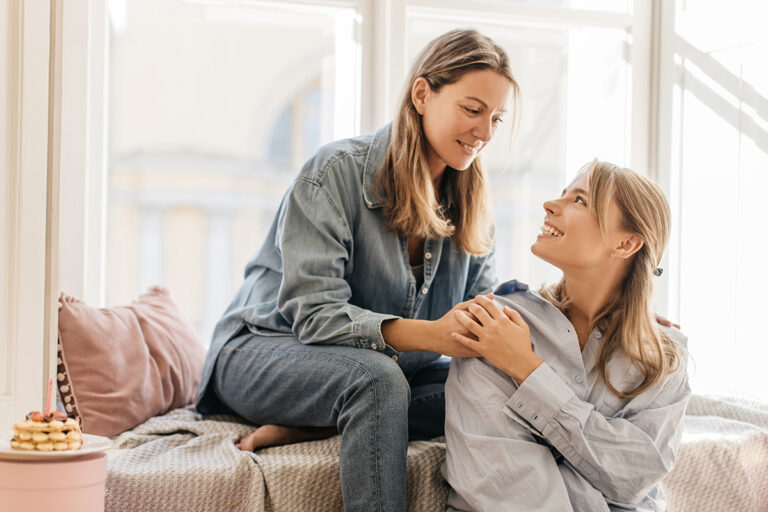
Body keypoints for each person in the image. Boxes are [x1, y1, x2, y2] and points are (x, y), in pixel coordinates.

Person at [195, 29, 519, 511]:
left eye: (496, 118)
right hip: (263, 348)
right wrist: (433, 335)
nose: (485, 133)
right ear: (422, 94)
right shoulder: (334, 173)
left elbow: (486, 310)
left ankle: (329, 420)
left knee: (492, 393)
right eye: (472, 110)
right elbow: (314, 316)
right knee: (377, 381)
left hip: (372, 371)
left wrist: (598, 321)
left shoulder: (472, 205)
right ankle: (355, 408)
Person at [443, 160, 690, 512]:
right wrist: (599, 476)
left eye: (580, 201)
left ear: (626, 243)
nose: (550, 205)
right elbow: (504, 486)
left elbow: (636, 478)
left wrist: (528, 371)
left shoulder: (664, 356)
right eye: (563, 194)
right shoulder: (497, 324)